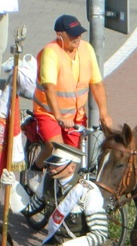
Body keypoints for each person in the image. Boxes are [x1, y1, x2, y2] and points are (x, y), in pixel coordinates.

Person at [29, 14, 112, 189]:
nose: (78, 38)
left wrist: (104, 114)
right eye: (73, 34)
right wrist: (58, 115)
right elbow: (49, 87)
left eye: (79, 33)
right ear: (60, 35)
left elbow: (96, 84)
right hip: (49, 112)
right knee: (55, 147)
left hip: (75, 115)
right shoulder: (50, 52)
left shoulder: (86, 49)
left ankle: (64, 193)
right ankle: (36, 170)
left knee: (73, 158)